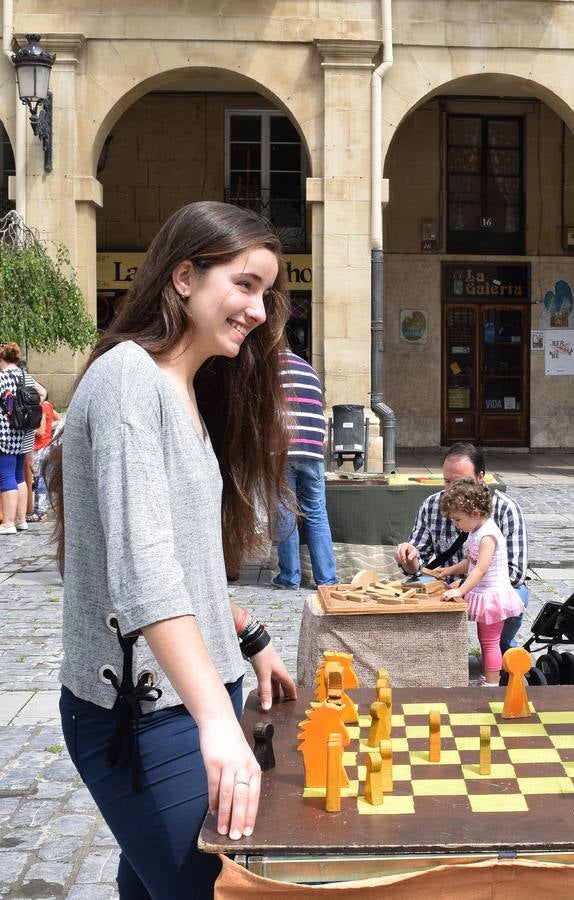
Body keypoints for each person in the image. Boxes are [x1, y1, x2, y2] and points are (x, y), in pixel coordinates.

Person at [48, 201, 299, 899]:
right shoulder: (129, 373)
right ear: (184, 276)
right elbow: (144, 572)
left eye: (267, 294)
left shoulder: (184, 388)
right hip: (142, 710)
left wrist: (244, 632)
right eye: (245, 284)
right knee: (210, 891)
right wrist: (218, 726)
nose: (257, 310)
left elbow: (181, 557)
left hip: (199, 690)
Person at [394, 443, 529, 650]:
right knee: (411, 590)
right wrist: (410, 558)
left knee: (517, 596)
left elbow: (515, 573)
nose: (452, 489)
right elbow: (416, 566)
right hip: (445, 584)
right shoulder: (431, 505)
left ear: (480, 478)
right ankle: (431, 652)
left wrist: (466, 586)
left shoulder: (506, 509)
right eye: (447, 481)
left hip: (491, 586)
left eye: (460, 482)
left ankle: (503, 649)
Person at [436, 479, 524, 685]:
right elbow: (470, 561)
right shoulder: (476, 531)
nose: (455, 525)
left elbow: (481, 569)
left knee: (490, 642)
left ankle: (492, 684)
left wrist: (461, 590)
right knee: (485, 640)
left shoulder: (487, 535)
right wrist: (449, 570)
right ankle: (487, 678)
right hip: (485, 593)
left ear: (474, 513)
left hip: (493, 596)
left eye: (457, 520)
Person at [272, 348, 338, 590]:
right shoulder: (308, 369)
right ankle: (327, 579)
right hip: (312, 450)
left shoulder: (269, 367)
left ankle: (289, 578)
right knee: (317, 512)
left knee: (285, 512)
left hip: (281, 449)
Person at [0, 342, 46, 535]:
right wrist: (25, 410)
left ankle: (8, 523)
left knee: (5, 475)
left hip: (5, 432)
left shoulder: (1, 378)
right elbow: (43, 393)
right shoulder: (25, 376)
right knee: (19, 475)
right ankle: (21, 520)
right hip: (24, 432)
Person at [25, 393, 55, 522]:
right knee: (42, 479)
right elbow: (57, 419)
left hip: (40, 447)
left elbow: (40, 431)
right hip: (45, 445)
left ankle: (41, 511)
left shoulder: (42, 407)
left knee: (40, 480)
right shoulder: (48, 405)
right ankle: (42, 510)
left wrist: (25, 426)